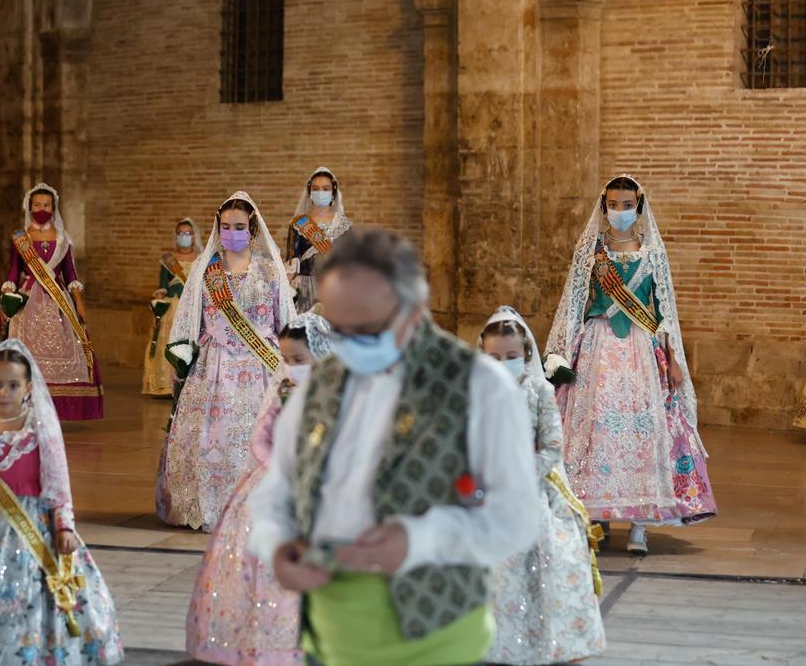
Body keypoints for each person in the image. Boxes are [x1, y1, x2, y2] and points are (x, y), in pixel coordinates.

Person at [247, 228, 540, 666]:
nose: (351, 344)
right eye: (339, 328)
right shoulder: (321, 385)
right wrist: (277, 544)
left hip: (437, 642)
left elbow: (515, 518)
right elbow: (278, 491)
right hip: (328, 642)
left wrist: (418, 540)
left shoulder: (478, 385)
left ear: (415, 309)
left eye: (367, 328)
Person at [546, 175, 717, 556]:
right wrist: (560, 353)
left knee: (642, 428)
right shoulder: (590, 252)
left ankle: (640, 526)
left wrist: (674, 359)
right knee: (595, 428)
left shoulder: (653, 253)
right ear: (603, 205)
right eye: (612, 204)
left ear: (638, 206)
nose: (619, 211)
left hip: (640, 349)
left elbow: (666, 311)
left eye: (626, 205)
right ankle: (598, 518)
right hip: (597, 347)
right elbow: (572, 306)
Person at [0, 339, 124, 665]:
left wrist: (64, 525)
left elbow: (57, 479)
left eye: (12, 385)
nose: (3, 392)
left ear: (28, 387)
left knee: (28, 595)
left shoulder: (40, 428)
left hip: (31, 526)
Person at [186, 310, 332, 665]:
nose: (290, 366)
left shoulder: (335, 396)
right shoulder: (283, 391)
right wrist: (276, 467)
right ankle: (265, 636)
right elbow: (260, 437)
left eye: (298, 359)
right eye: (285, 359)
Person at [155, 191, 294, 532]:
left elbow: (285, 322)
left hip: (260, 368)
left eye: (240, 226)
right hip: (214, 367)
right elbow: (189, 318)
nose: (232, 232)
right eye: (226, 226)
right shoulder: (206, 272)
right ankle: (210, 504)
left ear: (253, 230)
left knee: (258, 438)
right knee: (211, 439)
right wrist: (180, 358)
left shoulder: (269, 272)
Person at [480, 306, 606, 665]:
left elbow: (552, 446)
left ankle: (548, 639)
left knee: (551, 558)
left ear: (526, 355)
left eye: (511, 356)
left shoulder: (538, 393)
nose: (503, 363)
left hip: (529, 491)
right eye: (494, 357)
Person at [0, 183, 104, 420]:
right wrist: (6, 297)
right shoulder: (21, 238)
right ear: (29, 207)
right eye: (37, 204)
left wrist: (79, 302)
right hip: (27, 300)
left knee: (68, 351)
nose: (42, 208)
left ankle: (57, 408)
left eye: (46, 205)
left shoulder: (62, 240)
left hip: (58, 301)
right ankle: (24, 405)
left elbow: (70, 274)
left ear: (53, 207)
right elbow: (13, 272)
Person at [141, 218, 202, 396]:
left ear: (194, 236)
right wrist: (157, 307)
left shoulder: (201, 258)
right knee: (169, 342)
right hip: (173, 307)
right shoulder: (168, 260)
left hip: (193, 307)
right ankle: (165, 385)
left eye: (188, 233)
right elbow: (162, 286)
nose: (184, 237)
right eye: (181, 233)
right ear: (176, 237)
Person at [285, 167, 351, 313]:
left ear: (333, 191)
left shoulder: (344, 225)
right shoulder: (298, 223)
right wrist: (283, 290)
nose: (320, 192)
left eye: (325, 188)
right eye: (316, 188)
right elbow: (292, 264)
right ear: (310, 191)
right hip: (306, 292)